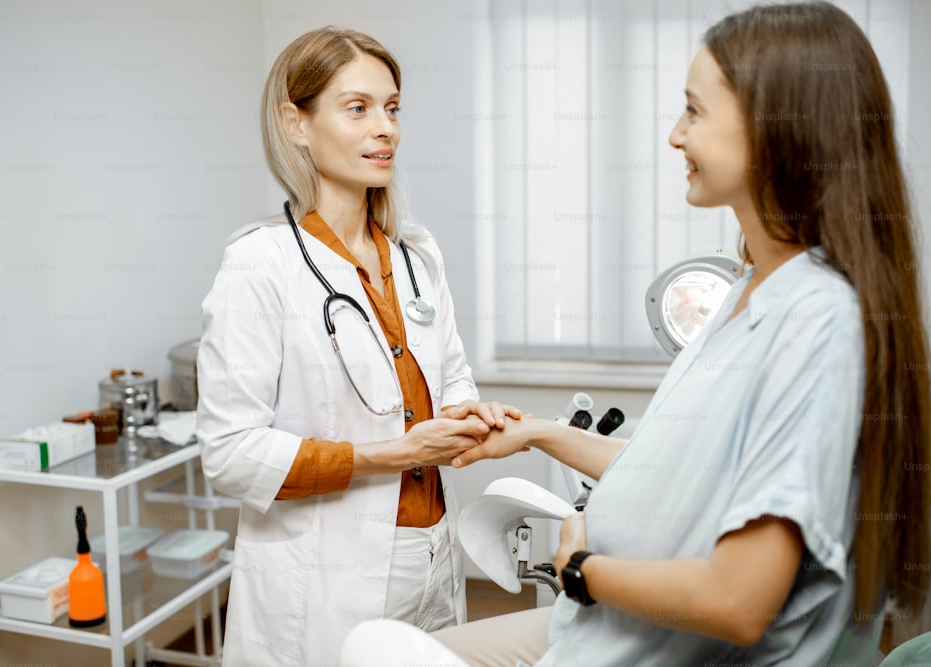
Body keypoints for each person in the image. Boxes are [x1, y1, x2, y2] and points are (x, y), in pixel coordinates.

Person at [339, 3, 930, 665]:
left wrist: (582, 567)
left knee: (371, 648)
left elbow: (739, 599)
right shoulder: (749, 290)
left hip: (640, 636)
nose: (676, 136)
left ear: (777, 129)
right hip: (601, 630)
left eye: (694, 112)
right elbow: (672, 472)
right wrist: (536, 433)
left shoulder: (815, 323)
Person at [196, 27, 520, 667]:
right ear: (296, 123)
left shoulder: (416, 255)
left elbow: (452, 373)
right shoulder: (259, 265)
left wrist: (462, 416)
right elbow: (230, 454)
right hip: (325, 573)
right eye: (358, 108)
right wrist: (396, 453)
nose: (386, 129)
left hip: (432, 552)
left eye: (392, 108)